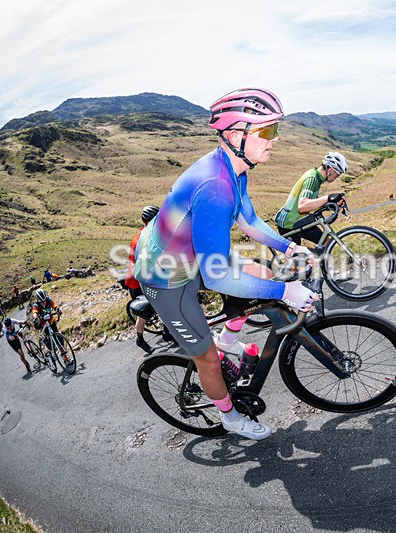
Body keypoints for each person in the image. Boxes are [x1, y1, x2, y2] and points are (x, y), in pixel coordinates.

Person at [133, 87, 317, 441]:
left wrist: (288, 246)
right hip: (165, 276)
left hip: (190, 253)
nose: (274, 140)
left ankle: (229, 340)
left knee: (259, 273)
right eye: (267, 131)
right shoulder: (216, 185)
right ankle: (231, 418)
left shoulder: (235, 170)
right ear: (236, 135)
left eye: (275, 130)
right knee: (207, 358)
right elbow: (217, 276)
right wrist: (286, 290)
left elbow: (248, 222)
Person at [125, 205, 173, 354]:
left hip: (147, 277)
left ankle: (167, 332)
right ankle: (139, 338)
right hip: (137, 282)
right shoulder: (138, 240)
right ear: (147, 222)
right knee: (144, 313)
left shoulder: (152, 234)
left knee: (165, 304)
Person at [274, 152, 348, 245]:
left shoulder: (317, 177)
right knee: (297, 257)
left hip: (300, 220)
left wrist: (332, 204)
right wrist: (327, 198)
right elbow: (302, 206)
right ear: (331, 170)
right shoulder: (312, 179)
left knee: (326, 243)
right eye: (338, 174)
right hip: (288, 224)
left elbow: (312, 203)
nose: (337, 177)